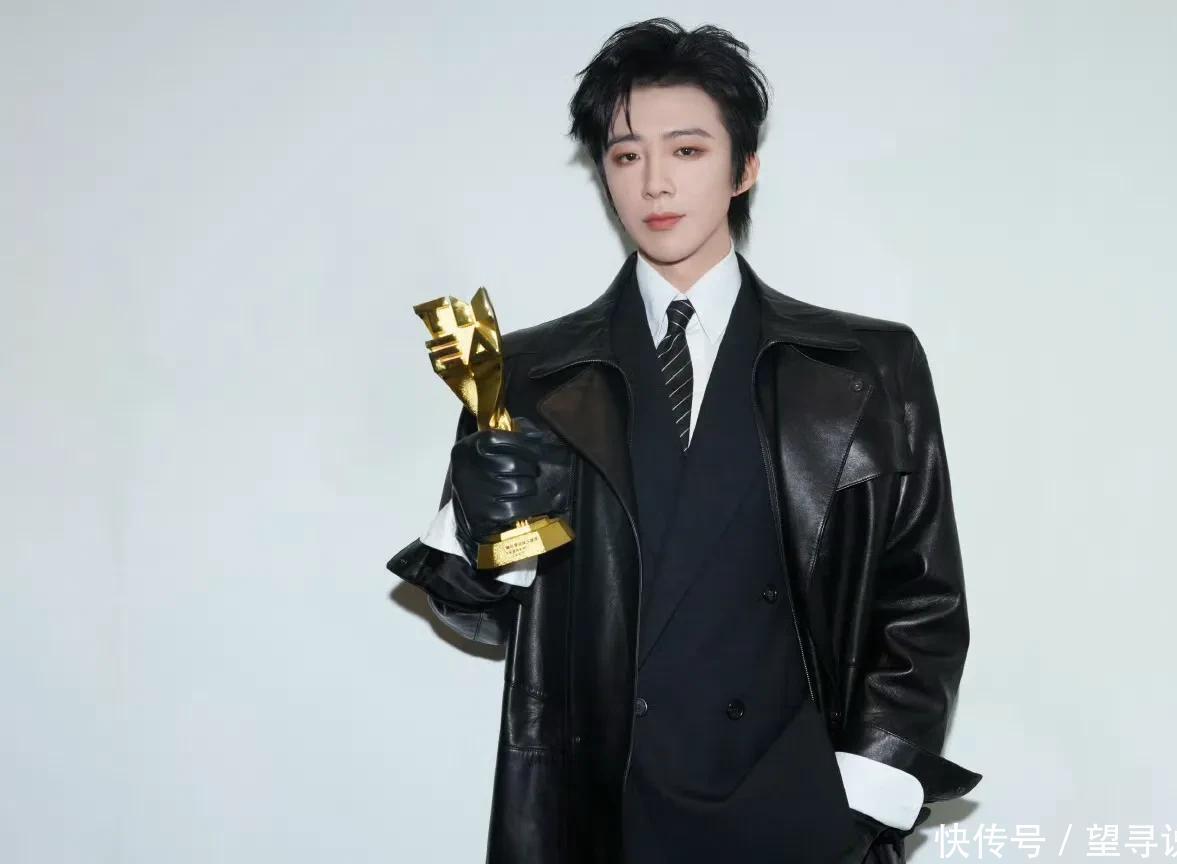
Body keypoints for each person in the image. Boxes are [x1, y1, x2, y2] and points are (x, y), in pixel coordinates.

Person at [387, 17, 980, 864]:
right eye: (626, 155)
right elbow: (478, 615)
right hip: (607, 815)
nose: (655, 182)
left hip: (799, 813)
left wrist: (860, 796)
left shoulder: (865, 366)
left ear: (745, 168)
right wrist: (489, 533)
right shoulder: (526, 375)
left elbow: (923, 601)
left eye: (688, 150)